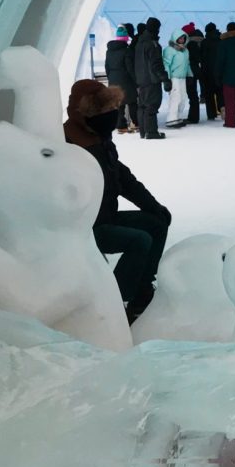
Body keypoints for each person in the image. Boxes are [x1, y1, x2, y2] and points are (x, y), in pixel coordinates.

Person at [63, 79, 172, 323]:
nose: (111, 117)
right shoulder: (68, 144)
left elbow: (123, 178)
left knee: (156, 223)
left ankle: (141, 291)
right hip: (83, 229)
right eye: (105, 111)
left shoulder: (100, 140)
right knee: (139, 241)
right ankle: (116, 303)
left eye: (113, 110)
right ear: (87, 113)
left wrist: (153, 206)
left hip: (106, 218)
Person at [133, 17, 172, 140]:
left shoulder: (139, 43)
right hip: (151, 80)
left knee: (142, 106)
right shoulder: (153, 44)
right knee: (152, 105)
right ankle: (151, 132)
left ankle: (143, 132)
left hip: (141, 79)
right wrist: (165, 78)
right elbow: (156, 64)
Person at [104, 25, 139, 134]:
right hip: (126, 80)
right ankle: (136, 123)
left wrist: (111, 78)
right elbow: (130, 68)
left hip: (114, 80)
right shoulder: (126, 51)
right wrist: (136, 80)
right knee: (132, 103)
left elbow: (107, 67)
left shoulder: (109, 51)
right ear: (126, 38)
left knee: (119, 104)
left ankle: (121, 126)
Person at [162, 29, 191, 129]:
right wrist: (167, 79)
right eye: (180, 38)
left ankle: (178, 117)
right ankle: (171, 118)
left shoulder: (185, 50)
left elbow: (187, 64)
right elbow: (166, 65)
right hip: (174, 78)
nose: (182, 39)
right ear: (175, 38)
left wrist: (190, 75)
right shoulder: (169, 50)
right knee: (175, 97)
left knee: (183, 98)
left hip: (182, 78)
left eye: (183, 38)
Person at [200, 22, 222, 121]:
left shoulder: (205, 42)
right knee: (220, 92)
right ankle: (222, 109)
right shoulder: (221, 40)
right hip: (220, 71)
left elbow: (202, 57)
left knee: (209, 94)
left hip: (207, 71)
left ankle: (211, 114)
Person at [183, 22, 204, 124]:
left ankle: (193, 117)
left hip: (191, 71)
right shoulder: (200, 41)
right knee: (194, 94)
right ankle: (194, 116)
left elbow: (190, 58)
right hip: (199, 69)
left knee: (192, 94)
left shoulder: (190, 44)